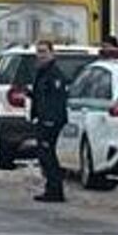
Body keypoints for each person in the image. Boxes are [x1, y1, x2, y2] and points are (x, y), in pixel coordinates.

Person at [29, 40, 70, 203]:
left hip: (50, 121)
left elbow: (56, 100)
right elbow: (42, 96)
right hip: (43, 119)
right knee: (44, 155)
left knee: (48, 156)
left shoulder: (54, 74)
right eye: (38, 52)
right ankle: (51, 188)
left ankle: (55, 190)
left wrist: (50, 120)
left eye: (44, 52)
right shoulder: (42, 72)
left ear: (52, 53)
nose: (41, 55)